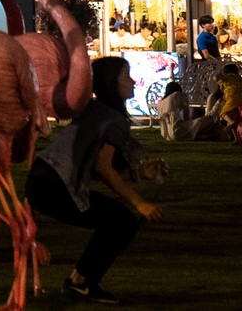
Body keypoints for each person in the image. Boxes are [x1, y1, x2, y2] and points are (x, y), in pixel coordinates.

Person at [25, 56, 166, 303]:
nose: (133, 82)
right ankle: (81, 281)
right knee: (122, 221)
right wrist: (139, 203)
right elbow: (103, 169)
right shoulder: (113, 120)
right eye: (126, 76)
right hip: (54, 184)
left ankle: (80, 280)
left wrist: (138, 174)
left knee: (116, 219)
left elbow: (92, 165)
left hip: (41, 179)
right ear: (112, 83)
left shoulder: (95, 111)